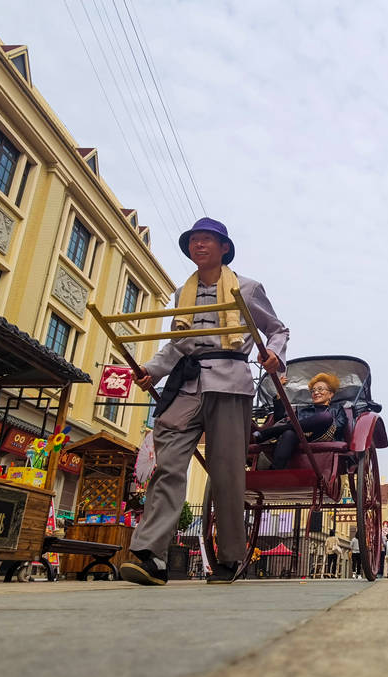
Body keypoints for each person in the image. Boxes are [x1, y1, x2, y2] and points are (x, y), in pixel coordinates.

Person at [120, 218, 287, 587]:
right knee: (168, 465)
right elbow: (177, 344)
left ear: (224, 247)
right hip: (188, 383)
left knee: (226, 474)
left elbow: (277, 329)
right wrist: (152, 370)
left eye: (206, 240)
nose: (199, 246)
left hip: (230, 381)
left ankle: (229, 558)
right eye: (193, 240)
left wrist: (274, 354)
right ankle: (150, 556)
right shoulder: (184, 293)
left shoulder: (247, 287)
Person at [254, 372, 347, 470]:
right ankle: (275, 470)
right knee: (289, 433)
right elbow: (280, 420)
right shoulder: (302, 410)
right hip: (304, 438)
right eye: (313, 390)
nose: (315, 393)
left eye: (320, 389)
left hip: (326, 435)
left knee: (326, 417)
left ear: (330, 394)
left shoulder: (336, 409)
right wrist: (279, 393)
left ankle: (268, 433)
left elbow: (340, 425)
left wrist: (316, 425)